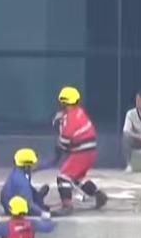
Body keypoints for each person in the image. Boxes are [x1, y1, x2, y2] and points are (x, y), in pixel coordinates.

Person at [39, 86, 107, 216]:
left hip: (82, 152)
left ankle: (67, 206)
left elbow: (64, 144)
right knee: (75, 178)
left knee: (63, 177)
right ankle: (98, 194)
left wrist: (56, 152)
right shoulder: (79, 112)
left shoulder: (69, 119)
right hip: (90, 151)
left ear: (64, 102)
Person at [1, 148, 50, 217]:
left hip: (9, 202)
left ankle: (39, 200)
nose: (35, 165)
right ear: (27, 166)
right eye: (33, 163)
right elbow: (28, 204)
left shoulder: (18, 172)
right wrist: (43, 213)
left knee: (35, 193)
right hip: (17, 210)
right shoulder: (22, 181)